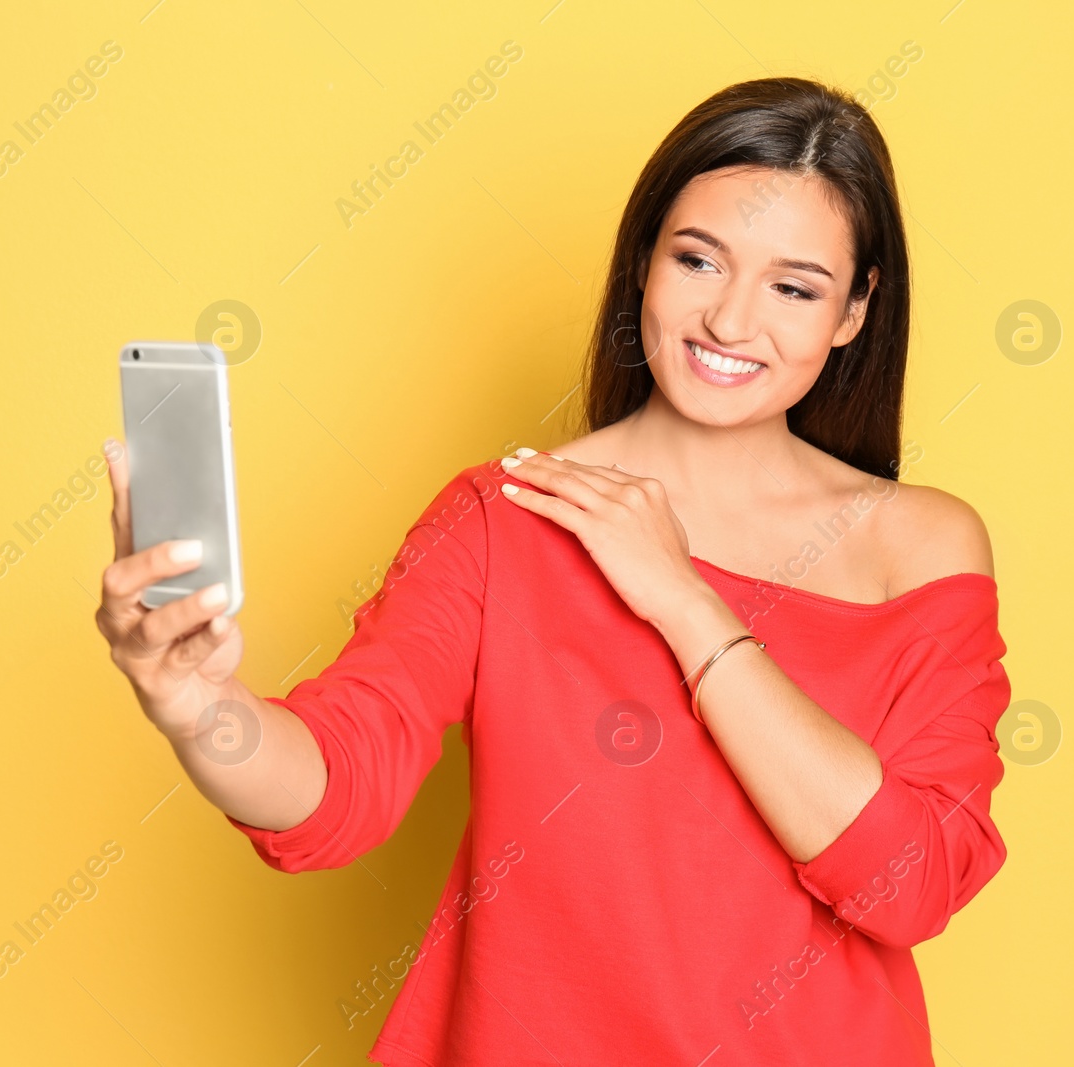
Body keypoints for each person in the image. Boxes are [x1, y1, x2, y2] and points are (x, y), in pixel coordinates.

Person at [96, 75, 1012, 1066]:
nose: (732, 321)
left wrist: (684, 602)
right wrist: (197, 705)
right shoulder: (505, 517)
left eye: (794, 287)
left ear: (853, 313)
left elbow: (908, 884)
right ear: (643, 267)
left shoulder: (917, 546)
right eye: (697, 260)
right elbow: (336, 788)